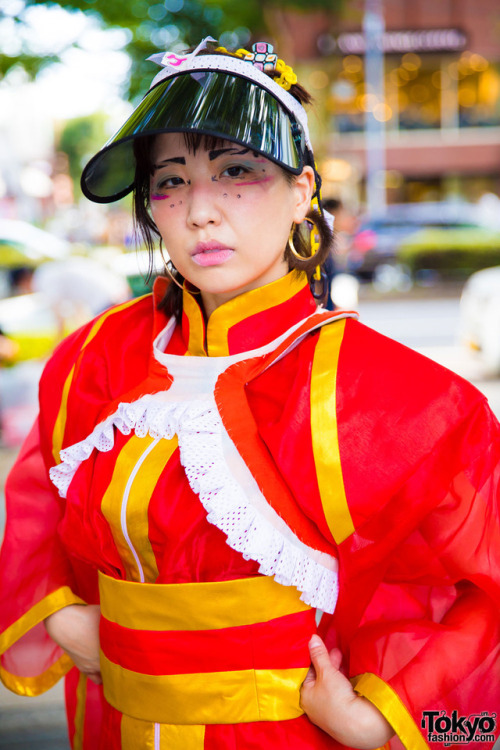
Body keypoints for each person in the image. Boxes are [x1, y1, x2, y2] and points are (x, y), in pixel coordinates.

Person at [0, 37, 499, 750]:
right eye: (170, 181)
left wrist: (385, 718)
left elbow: (487, 584)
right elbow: (35, 505)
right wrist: (58, 615)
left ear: (302, 193)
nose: (200, 211)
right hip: (112, 722)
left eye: (237, 171)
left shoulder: (396, 396)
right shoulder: (95, 358)